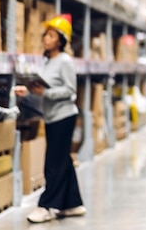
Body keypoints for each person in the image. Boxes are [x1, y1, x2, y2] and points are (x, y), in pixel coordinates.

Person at [14, 14, 86, 223]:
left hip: (64, 117)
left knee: (53, 163)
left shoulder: (65, 61)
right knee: (63, 160)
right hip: (52, 117)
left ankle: (45, 206)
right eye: (46, 35)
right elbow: (44, 88)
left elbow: (70, 91)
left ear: (61, 40)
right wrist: (27, 92)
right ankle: (73, 204)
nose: (46, 38)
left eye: (51, 35)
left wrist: (44, 93)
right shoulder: (49, 61)